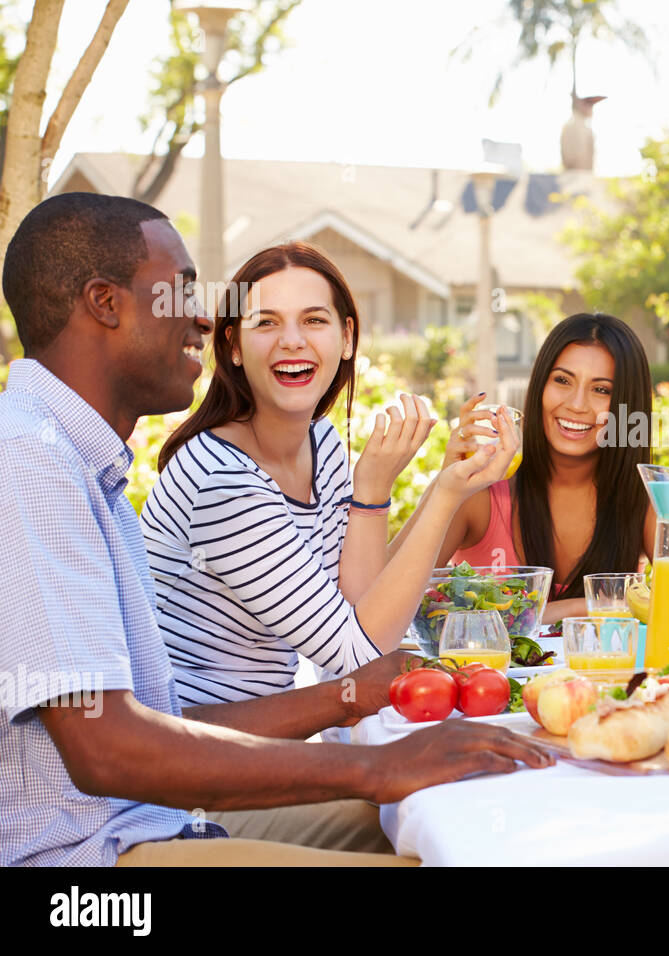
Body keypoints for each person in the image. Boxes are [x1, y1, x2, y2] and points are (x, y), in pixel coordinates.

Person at [0, 194, 552, 867]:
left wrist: (355, 704)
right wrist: (373, 763)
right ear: (105, 304)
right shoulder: (31, 463)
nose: (203, 316)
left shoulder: (88, 469)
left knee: (459, 822)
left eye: (316, 320)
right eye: (180, 294)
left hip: (155, 811)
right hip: (87, 855)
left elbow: (167, 723)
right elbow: (108, 752)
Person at [140, 241, 517, 709]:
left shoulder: (321, 442)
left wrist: (434, 484)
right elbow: (355, 655)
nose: (293, 340)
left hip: (263, 731)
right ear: (233, 346)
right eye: (266, 322)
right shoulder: (225, 483)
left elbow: (360, 607)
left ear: (347, 338)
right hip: (198, 745)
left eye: (314, 320)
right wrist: (440, 496)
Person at [410, 312, 656, 622]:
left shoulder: (645, 503)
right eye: (562, 380)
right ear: (539, 386)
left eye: (602, 390)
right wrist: (444, 486)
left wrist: (561, 609)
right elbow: (389, 600)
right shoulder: (481, 494)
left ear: (626, 405)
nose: (577, 404)